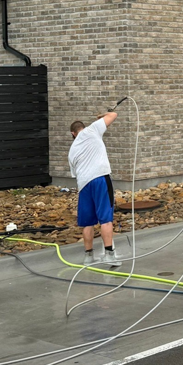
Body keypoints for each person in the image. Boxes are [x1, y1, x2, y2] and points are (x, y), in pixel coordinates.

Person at [68, 112, 121, 268]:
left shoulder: (72, 150)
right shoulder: (93, 130)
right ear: (82, 128)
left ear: (73, 134)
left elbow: (75, 172)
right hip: (100, 178)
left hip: (84, 184)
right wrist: (101, 116)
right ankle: (109, 255)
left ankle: (88, 257)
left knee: (88, 223)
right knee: (106, 219)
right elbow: (113, 114)